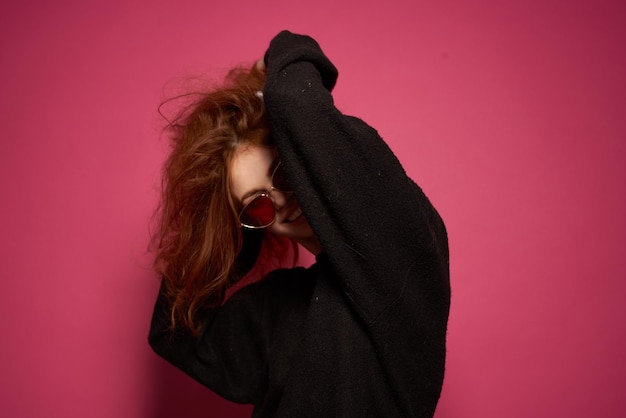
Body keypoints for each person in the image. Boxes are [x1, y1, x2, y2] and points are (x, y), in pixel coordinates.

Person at [149, 30, 450, 418]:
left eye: (283, 174)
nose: (277, 200)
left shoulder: (400, 246)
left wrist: (277, 56)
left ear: (304, 152)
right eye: (257, 205)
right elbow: (175, 337)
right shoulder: (283, 304)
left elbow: (294, 100)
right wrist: (236, 230)